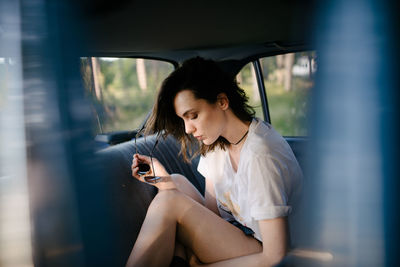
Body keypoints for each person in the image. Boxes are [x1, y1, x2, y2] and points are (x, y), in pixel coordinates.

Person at [126, 57, 303, 267]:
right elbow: (212, 215)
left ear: (222, 102)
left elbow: (276, 256)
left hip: (269, 250)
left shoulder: (260, 155)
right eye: (183, 119)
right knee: (175, 181)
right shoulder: (217, 143)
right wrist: (164, 181)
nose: (187, 129)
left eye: (193, 116)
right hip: (242, 235)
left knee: (169, 201)